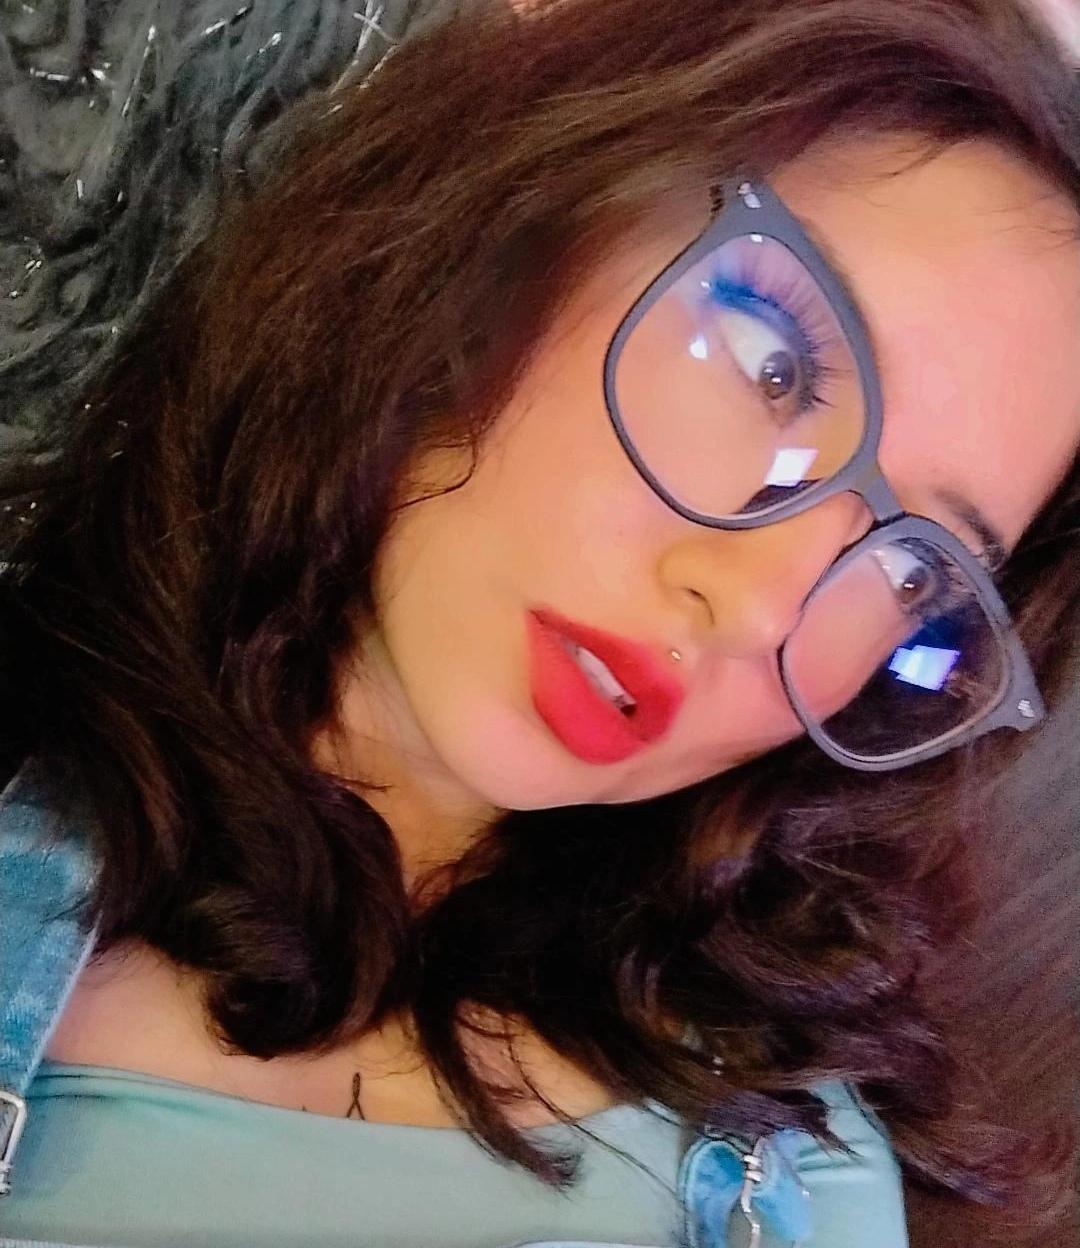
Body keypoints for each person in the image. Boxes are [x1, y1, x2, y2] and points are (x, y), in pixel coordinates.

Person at [1, 0, 1079, 1244]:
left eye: (915, 569)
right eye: (769, 360)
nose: (760, 605)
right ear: (529, 204)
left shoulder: (797, 1176)